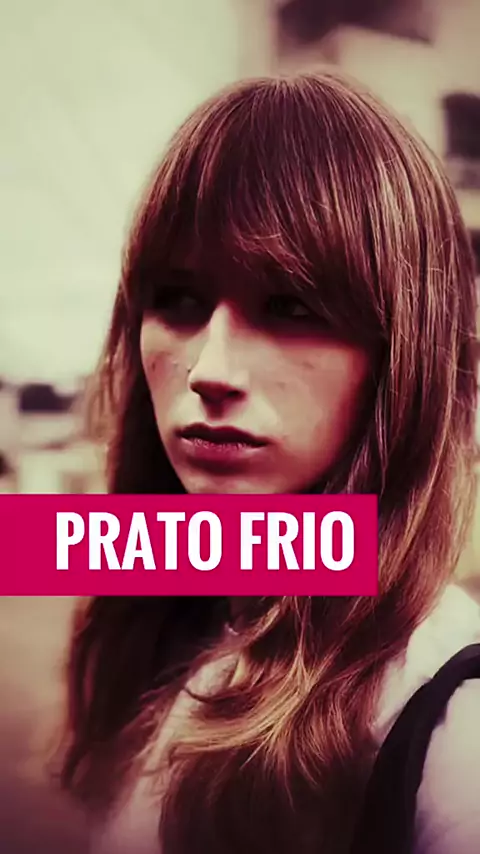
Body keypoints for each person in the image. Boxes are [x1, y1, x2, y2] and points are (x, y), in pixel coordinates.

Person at [59, 71, 480, 854]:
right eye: (178, 298)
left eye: (290, 304)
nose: (210, 369)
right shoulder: (174, 603)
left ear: (403, 353)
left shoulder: (451, 728)